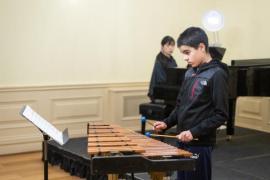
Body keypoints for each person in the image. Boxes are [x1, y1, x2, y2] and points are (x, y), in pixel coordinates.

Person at [153, 27, 229, 180]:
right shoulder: (189, 72)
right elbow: (180, 106)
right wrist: (167, 123)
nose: (185, 58)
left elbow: (221, 114)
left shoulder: (217, 73)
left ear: (201, 47)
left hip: (199, 143)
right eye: (183, 54)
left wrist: (193, 132)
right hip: (182, 140)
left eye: (188, 53)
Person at [148, 36, 177, 101]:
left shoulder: (171, 59)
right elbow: (161, 79)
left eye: (172, 45)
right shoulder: (159, 59)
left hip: (168, 90)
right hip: (159, 93)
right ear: (162, 46)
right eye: (168, 45)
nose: (170, 48)